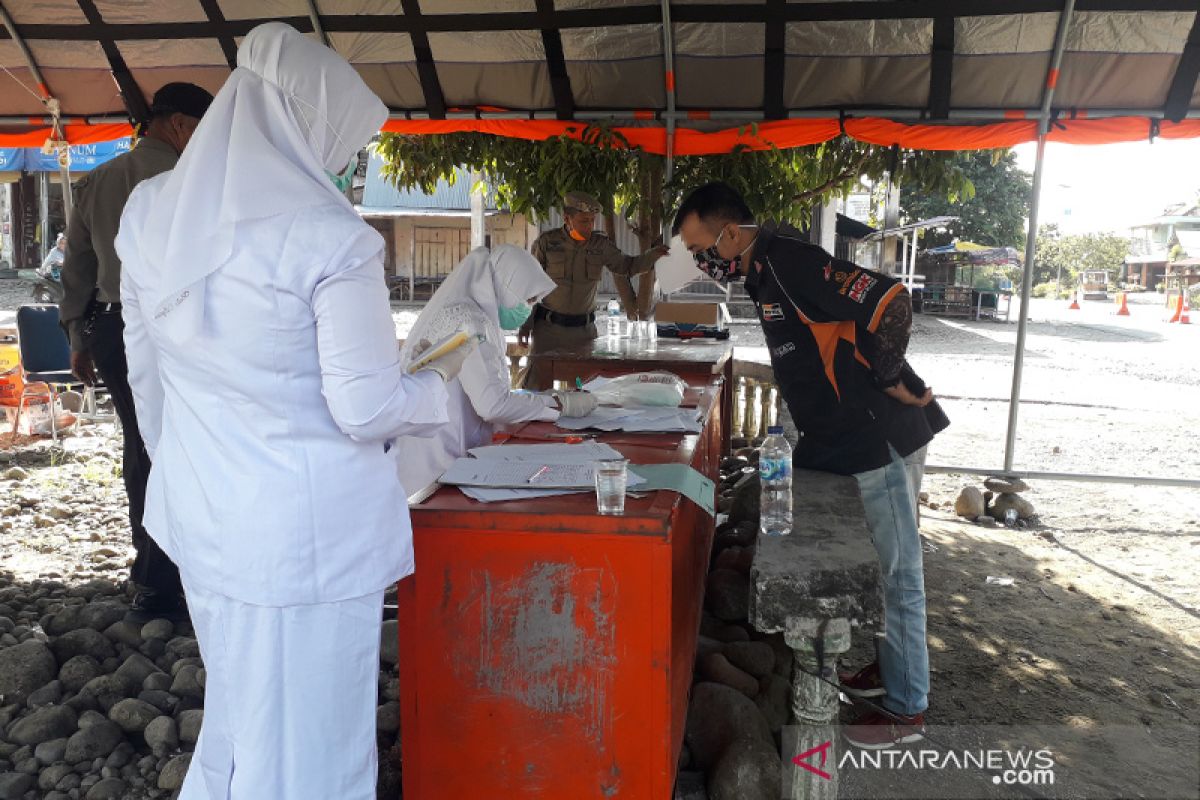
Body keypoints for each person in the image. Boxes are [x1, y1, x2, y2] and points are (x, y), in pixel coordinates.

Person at [114, 21, 470, 799]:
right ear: (306, 128)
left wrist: (188, 468)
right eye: (339, 141)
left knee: (240, 718)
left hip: (203, 514)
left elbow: (148, 375)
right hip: (304, 540)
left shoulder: (149, 210)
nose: (340, 161)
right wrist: (437, 389)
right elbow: (366, 406)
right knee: (313, 743)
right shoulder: (329, 237)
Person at [673, 182, 949, 750]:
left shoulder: (791, 260)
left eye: (702, 247)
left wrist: (892, 377)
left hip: (875, 438)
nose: (700, 261)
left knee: (899, 575)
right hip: (836, 441)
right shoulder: (761, 271)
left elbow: (890, 301)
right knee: (873, 563)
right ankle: (890, 670)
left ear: (730, 233)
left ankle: (907, 711)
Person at [60, 80, 214, 622]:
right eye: (204, 127)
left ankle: (150, 575)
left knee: (141, 446)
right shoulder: (189, 181)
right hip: (176, 329)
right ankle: (175, 577)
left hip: (109, 327)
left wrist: (78, 336)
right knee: (188, 446)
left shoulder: (98, 180)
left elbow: (76, 267)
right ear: (178, 125)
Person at [394, 244, 599, 495]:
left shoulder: (472, 315)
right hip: (438, 467)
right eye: (527, 299)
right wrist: (559, 404)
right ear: (504, 288)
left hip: (439, 455)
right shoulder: (468, 322)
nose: (528, 309)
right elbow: (492, 405)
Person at [519, 191, 668, 387]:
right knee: (535, 389)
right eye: (583, 221)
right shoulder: (547, 243)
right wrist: (526, 323)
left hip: (583, 333)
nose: (589, 226)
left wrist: (653, 255)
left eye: (592, 220)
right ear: (567, 219)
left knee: (585, 391)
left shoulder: (601, 246)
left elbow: (628, 266)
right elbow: (531, 288)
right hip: (548, 331)